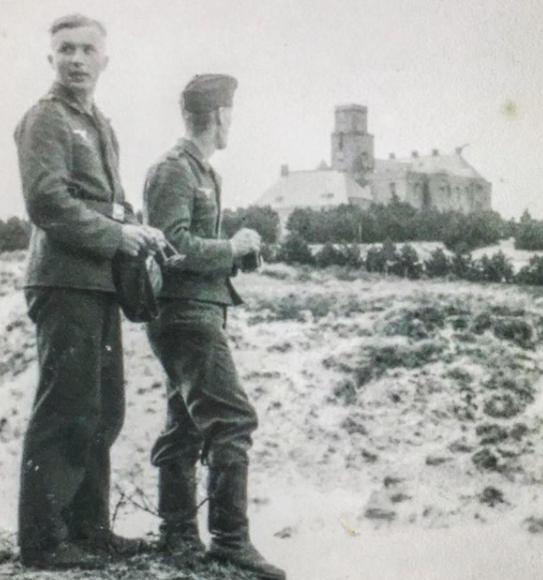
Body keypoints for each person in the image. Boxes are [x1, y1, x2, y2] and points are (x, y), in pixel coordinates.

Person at [14, 14, 165, 569]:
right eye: (65, 50)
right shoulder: (45, 120)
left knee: (103, 408)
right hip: (64, 280)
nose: (76, 59)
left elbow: (111, 202)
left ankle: (89, 528)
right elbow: (47, 202)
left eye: (87, 50)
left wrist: (135, 228)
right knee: (67, 406)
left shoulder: (99, 124)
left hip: (97, 282)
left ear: (106, 59)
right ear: (49, 59)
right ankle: (44, 540)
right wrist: (118, 233)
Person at [143, 74, 286, 580]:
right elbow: (172, 246)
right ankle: (228, 542)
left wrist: (234, 258)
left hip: (193, 311)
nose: (232, 124)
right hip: (185, 316)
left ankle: (178, 535)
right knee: (232, 421)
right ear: (221, 116)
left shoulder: (201, 172)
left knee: (184, 425)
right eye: (231, 114)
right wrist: (233, 248)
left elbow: (189, 247)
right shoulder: (174, 171)